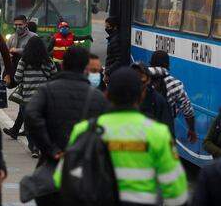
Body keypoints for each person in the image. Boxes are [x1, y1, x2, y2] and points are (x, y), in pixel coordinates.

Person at [54, 68, 188, 206]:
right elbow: (177, 194)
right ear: (142, 95)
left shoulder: (84, 129)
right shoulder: (158, 133)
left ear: (107, 94)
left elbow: (61, 180)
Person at [25, 46, 107, 205]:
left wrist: (50, 148)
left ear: (62, 65)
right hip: (84, 174)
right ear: (85, 68)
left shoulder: (47, 90)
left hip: (51, 171)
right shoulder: (97, 97)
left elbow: (31, 114)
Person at [9, 36, 57, 158]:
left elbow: (17, 78)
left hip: (28, 98)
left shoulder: (23, 60)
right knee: (43, 123)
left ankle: (34, 147)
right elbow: (54, 76)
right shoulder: (48, 60)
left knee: (29, 124)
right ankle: (42, 145)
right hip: (44, 98)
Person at [148, 50, 197, 143]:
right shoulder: (175, 84)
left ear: (151, 63)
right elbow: (188, 110)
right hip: (164, 134)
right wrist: (191, 130)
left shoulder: (138, 77)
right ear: (168, 65)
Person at [130, 62, 174, 135]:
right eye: (133, 76)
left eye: (141, 76)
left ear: (148, 80)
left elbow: (168, 132)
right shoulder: (122, 99)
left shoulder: (158, 101)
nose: (137, 80)